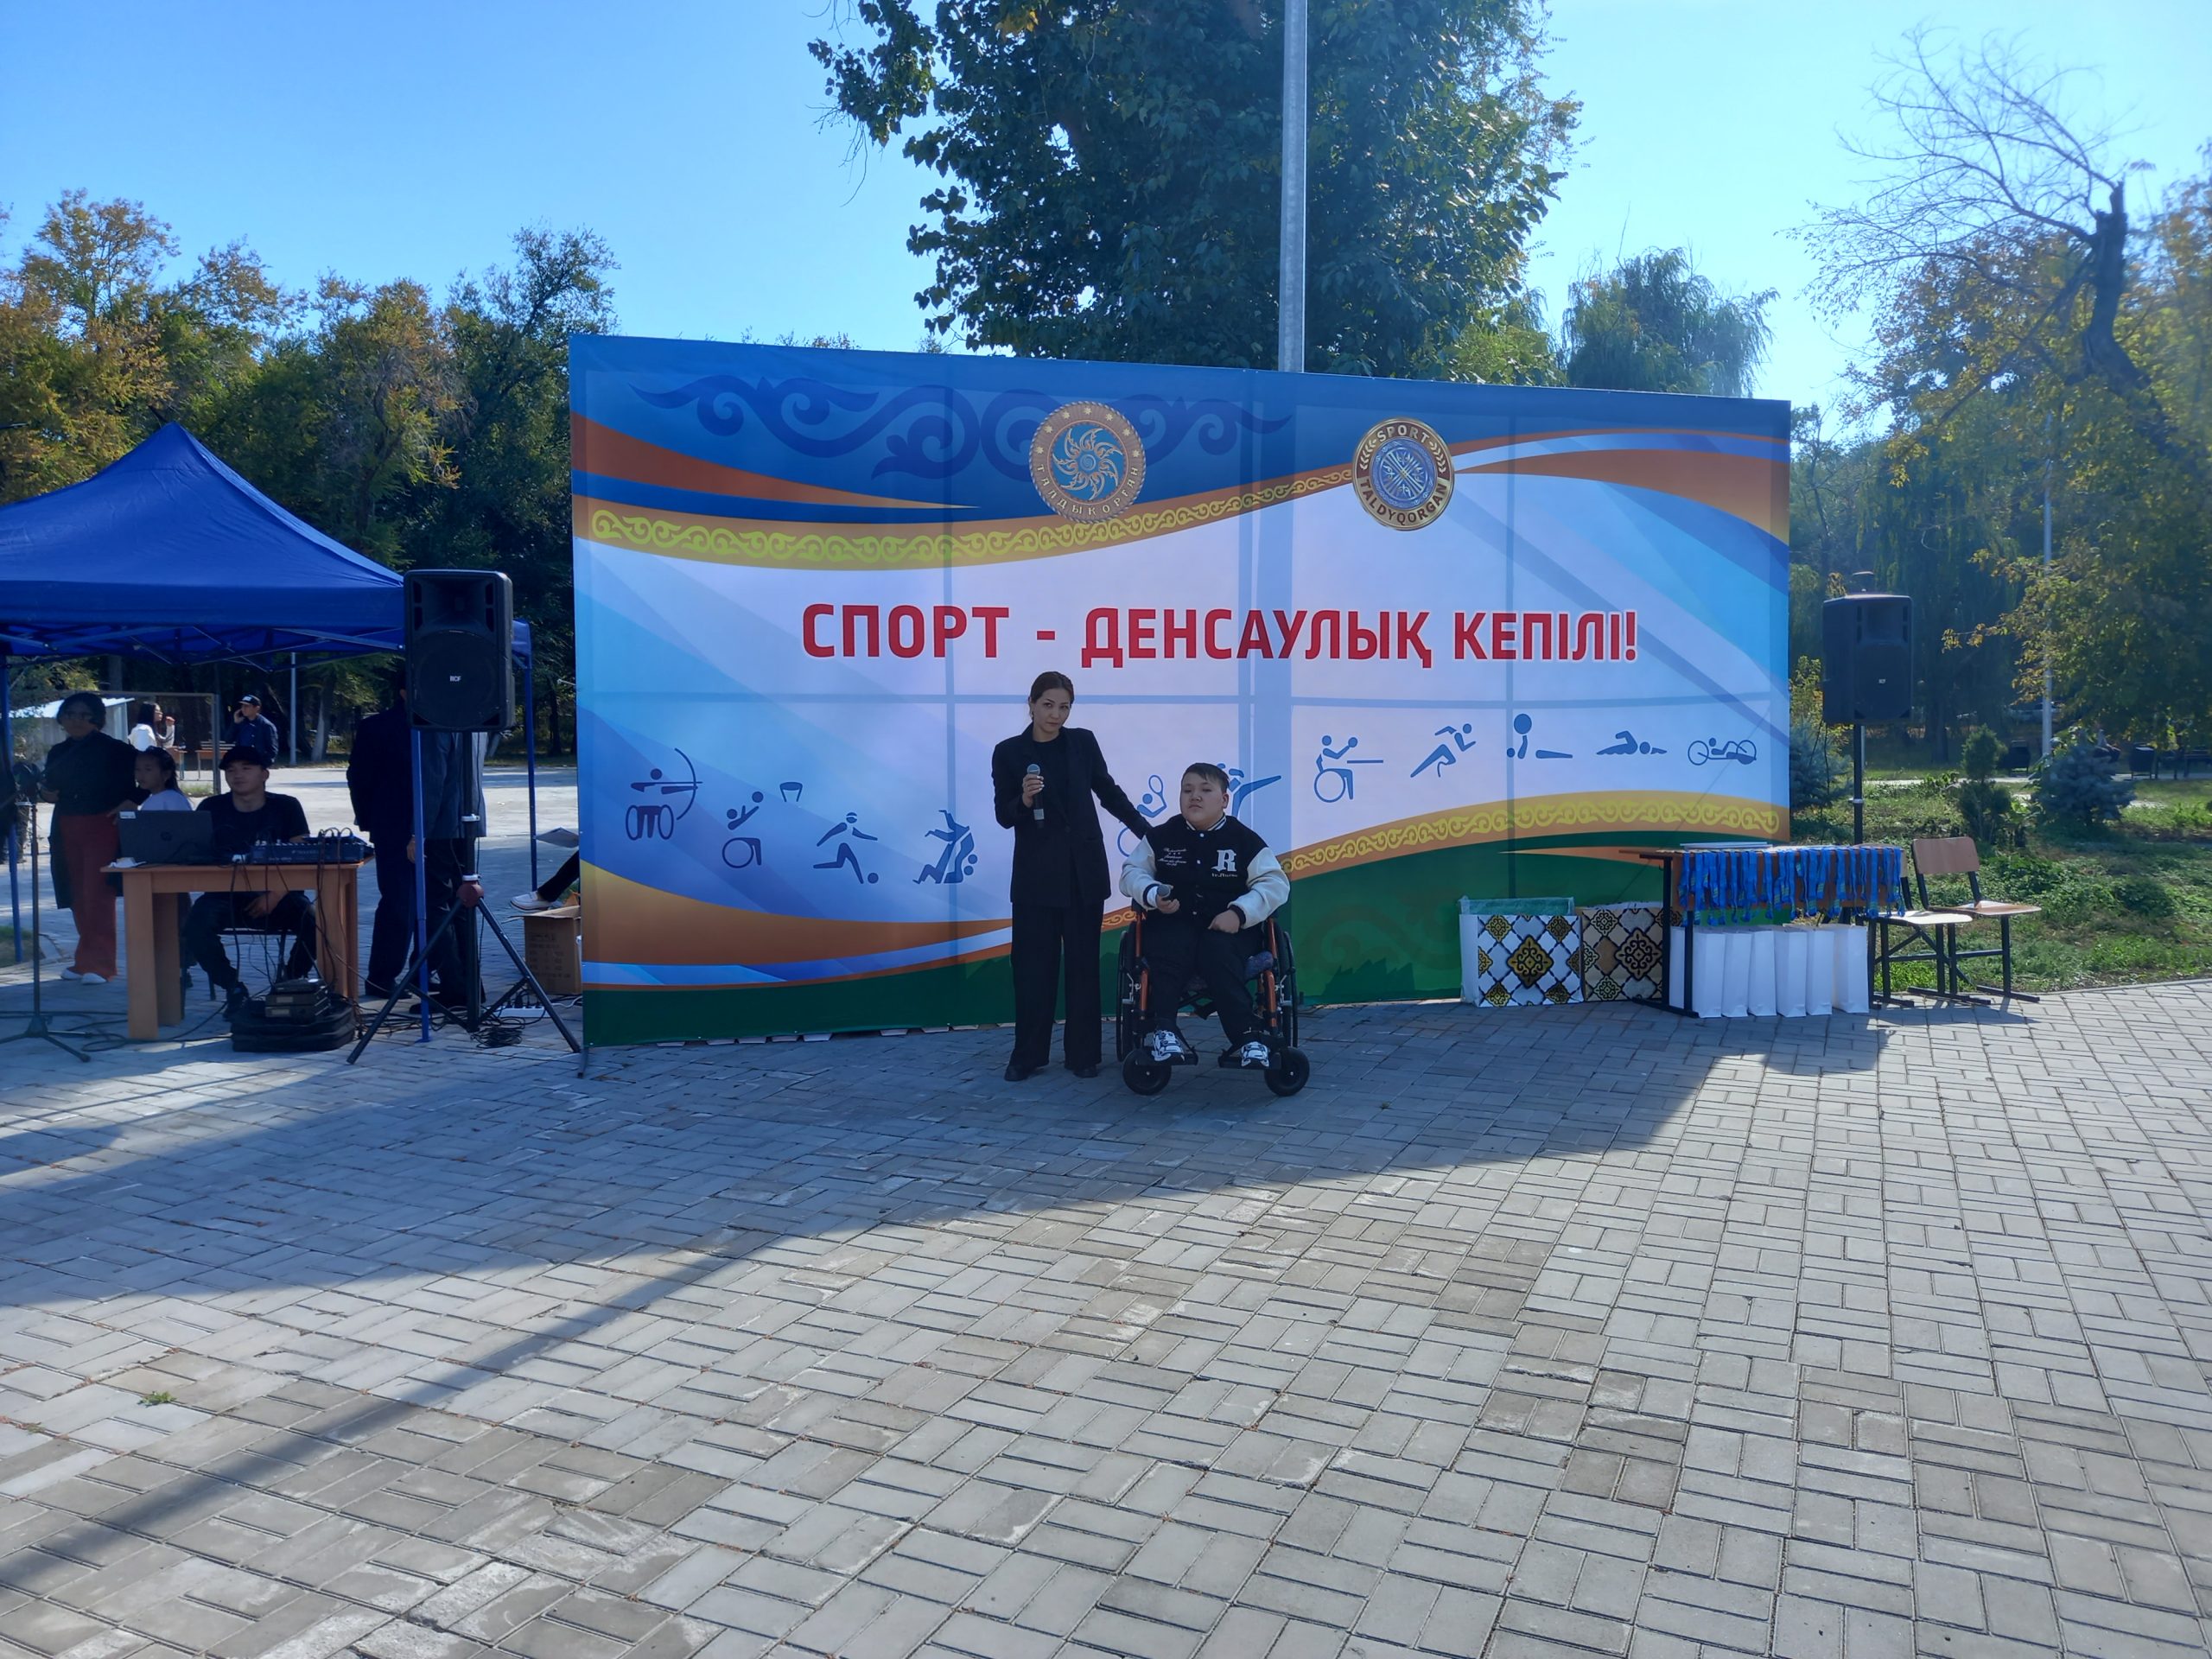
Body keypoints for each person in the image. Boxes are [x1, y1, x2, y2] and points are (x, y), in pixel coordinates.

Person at [990, 671, 1151, 1081]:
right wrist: (1024, 800)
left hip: (1083, 872)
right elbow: (1004, 815)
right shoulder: (1008, 752)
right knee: (1032, 970)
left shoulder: (1083, 743)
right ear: (1031, 704)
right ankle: (1028, 1055)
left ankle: (1083, 1055)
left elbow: (1108, 792)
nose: (1056, 715)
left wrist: (1148, 833)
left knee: (1082, 967)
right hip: (1036, 879)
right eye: (1048, 705)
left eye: (1064, 707)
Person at [1120, 761, 1290, 1069]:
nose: (1194, 796)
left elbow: (1275, 884)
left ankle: (1248, 1037)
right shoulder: (1161, 837)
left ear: (1224, 800)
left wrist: (1239, 913)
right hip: (1173, 925)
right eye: (1187, 790)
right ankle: (1165, 1031)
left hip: (1229, 932)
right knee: (1170, 943)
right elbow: (1132, 873)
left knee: (1218, 950)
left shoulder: (1245, 840)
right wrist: (1153, 894)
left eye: (1205, 790)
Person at [184, 747, 315, 1019]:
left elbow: (302, 856)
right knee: (195, 924)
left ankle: (289, 983)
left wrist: (275, 894)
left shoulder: (287, 806)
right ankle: (233, 988)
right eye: (231, 770)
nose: (238, 775)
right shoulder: (211, 807)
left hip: (279, 895)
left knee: (315, 921)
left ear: (264, 774)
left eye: (246, 768)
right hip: (224, 897)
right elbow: (195, 853)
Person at [39, 691, 143, 984]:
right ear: (62, 718)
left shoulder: (117, 750)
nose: (76, 720)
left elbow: (156, 773)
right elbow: (49, 788)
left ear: (96, 718)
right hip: (66, 825)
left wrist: (134, 800)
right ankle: (84, 961)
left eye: (84, 715)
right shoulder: (58, 751)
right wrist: (45, 793)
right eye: (70, 714)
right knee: (75, 894)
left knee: (96, 894)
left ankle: (102, 965)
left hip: (103, 824)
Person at [347, 681, 416, 999]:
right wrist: (370, 819)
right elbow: (359, 776)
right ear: (403, 691)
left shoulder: (447, 723)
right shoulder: (377, 727)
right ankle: (382, 978)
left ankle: (424, 972)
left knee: (438, 905)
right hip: (394, 827)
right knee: (399, 904)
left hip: (442, 827)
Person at [226, 694, 281, 766]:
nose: (243, 709)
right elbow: (228, 740)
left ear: (257, 708)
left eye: (247, 706)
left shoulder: (266, 725)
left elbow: (272, 750)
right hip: (241, 763)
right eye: (242, 706)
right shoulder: (240, 723)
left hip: (257, 763)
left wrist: (263, 764)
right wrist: (235, 723)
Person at [133, 747, 191, 812]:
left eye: (148, 769)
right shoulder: (156, 799)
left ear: (166, 774)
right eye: (137, 769)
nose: (141, 774)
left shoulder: (173, 800)